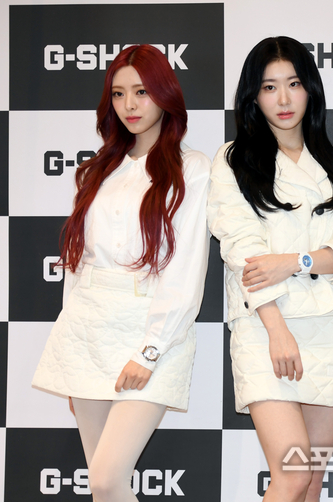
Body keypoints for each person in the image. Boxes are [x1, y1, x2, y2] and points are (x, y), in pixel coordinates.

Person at [32, 44, 211, 502]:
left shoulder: (192, 168)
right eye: (118, 93)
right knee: (103, 486)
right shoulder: (96, 170)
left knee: (107, 478)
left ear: (165, 95)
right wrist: (72, 354)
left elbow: (185, 268)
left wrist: (150, 351)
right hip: (86, 331)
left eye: (142, 92)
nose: (129, 104)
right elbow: (78, 265)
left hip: (150, 330)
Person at [207, 36, 333, 502]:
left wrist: (295, 261)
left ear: (310, 90)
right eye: (269, 87)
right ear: (253, 97)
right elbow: (243, 250)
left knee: (312, 483)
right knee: (293, 475)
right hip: (266, 328)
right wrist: (277, 330)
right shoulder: (233, 160)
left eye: (294, 84)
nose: (283, 99)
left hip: (330, 330)